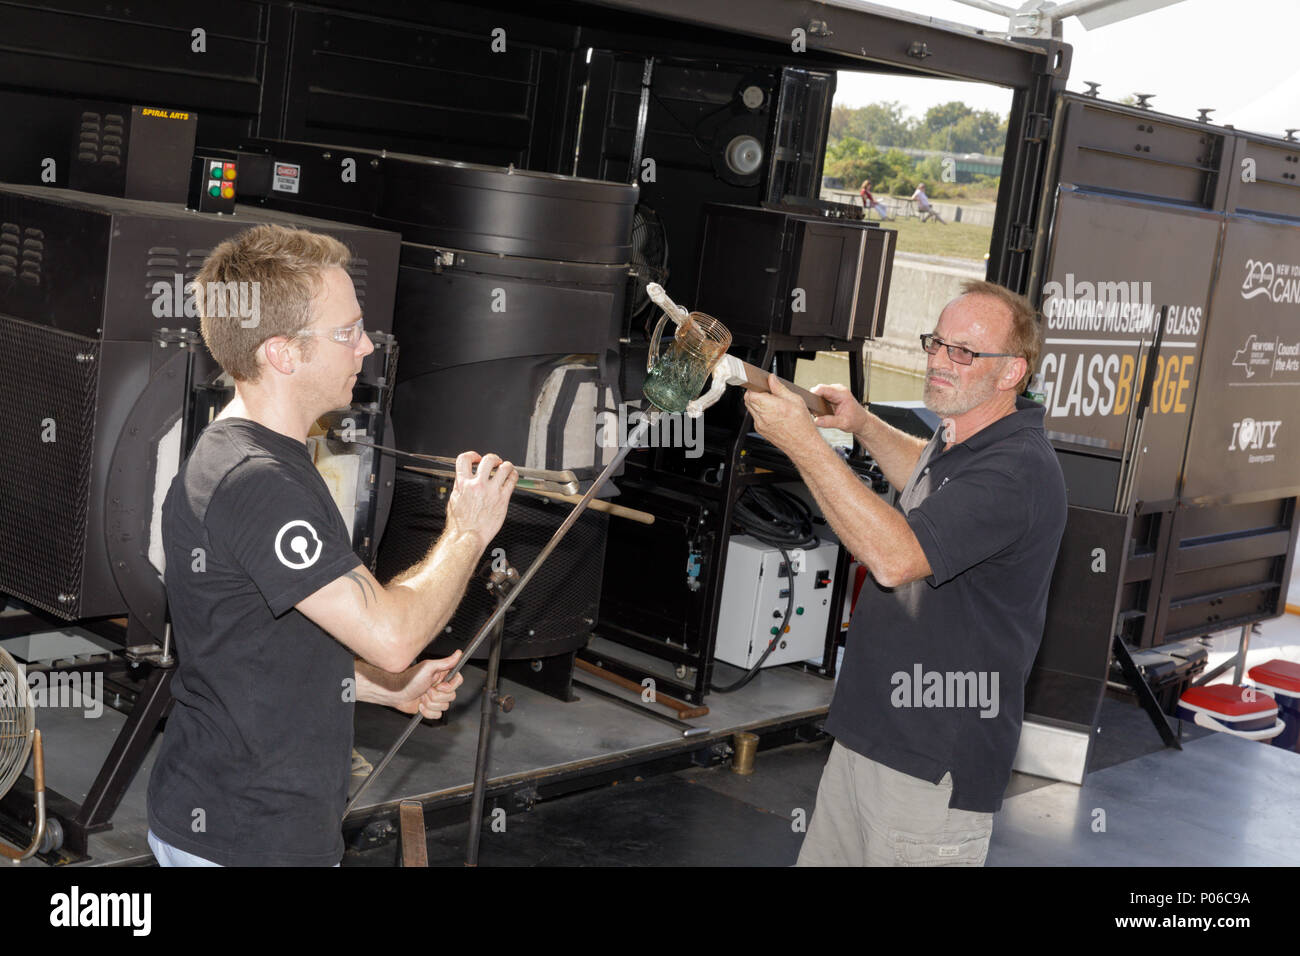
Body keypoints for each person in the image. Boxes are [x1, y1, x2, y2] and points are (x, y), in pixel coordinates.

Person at [146, 224, 518, 867]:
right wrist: (467, 532)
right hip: (246, 841)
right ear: (282, 353)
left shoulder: (251, 455)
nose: (366, 347)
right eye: (347, 332)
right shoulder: (258, 483)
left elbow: (261, 651)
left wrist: (378, 688)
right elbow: (393, 635)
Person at [743, 279, 1067, 867]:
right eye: (936, 343)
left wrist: (803, 443)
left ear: (1012, 372)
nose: (941, 362)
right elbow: (924, 475)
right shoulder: (966, 437)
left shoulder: (1015, 470)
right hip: (871, 735)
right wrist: (861, 424)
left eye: (964, 353)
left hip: (931, 763)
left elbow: (894, 560)